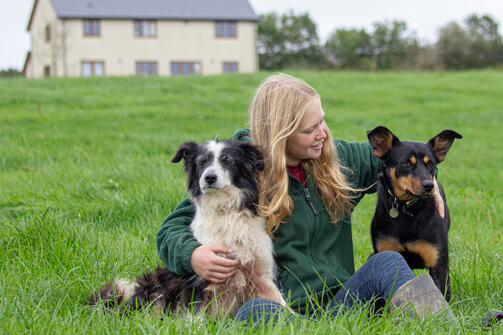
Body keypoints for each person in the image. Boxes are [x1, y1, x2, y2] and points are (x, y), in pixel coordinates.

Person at [156, 73, 453, 323]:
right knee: (255, 311)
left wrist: (429, 182)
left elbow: (401, 159)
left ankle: (443, 325)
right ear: (280, 133)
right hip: (285, 311)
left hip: (344, 301)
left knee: (387, 261)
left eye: (322, 122)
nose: (322, 133)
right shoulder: (243, 170)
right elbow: (173, 227)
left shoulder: (339, 159)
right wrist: (193, 256)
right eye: (310, 129)